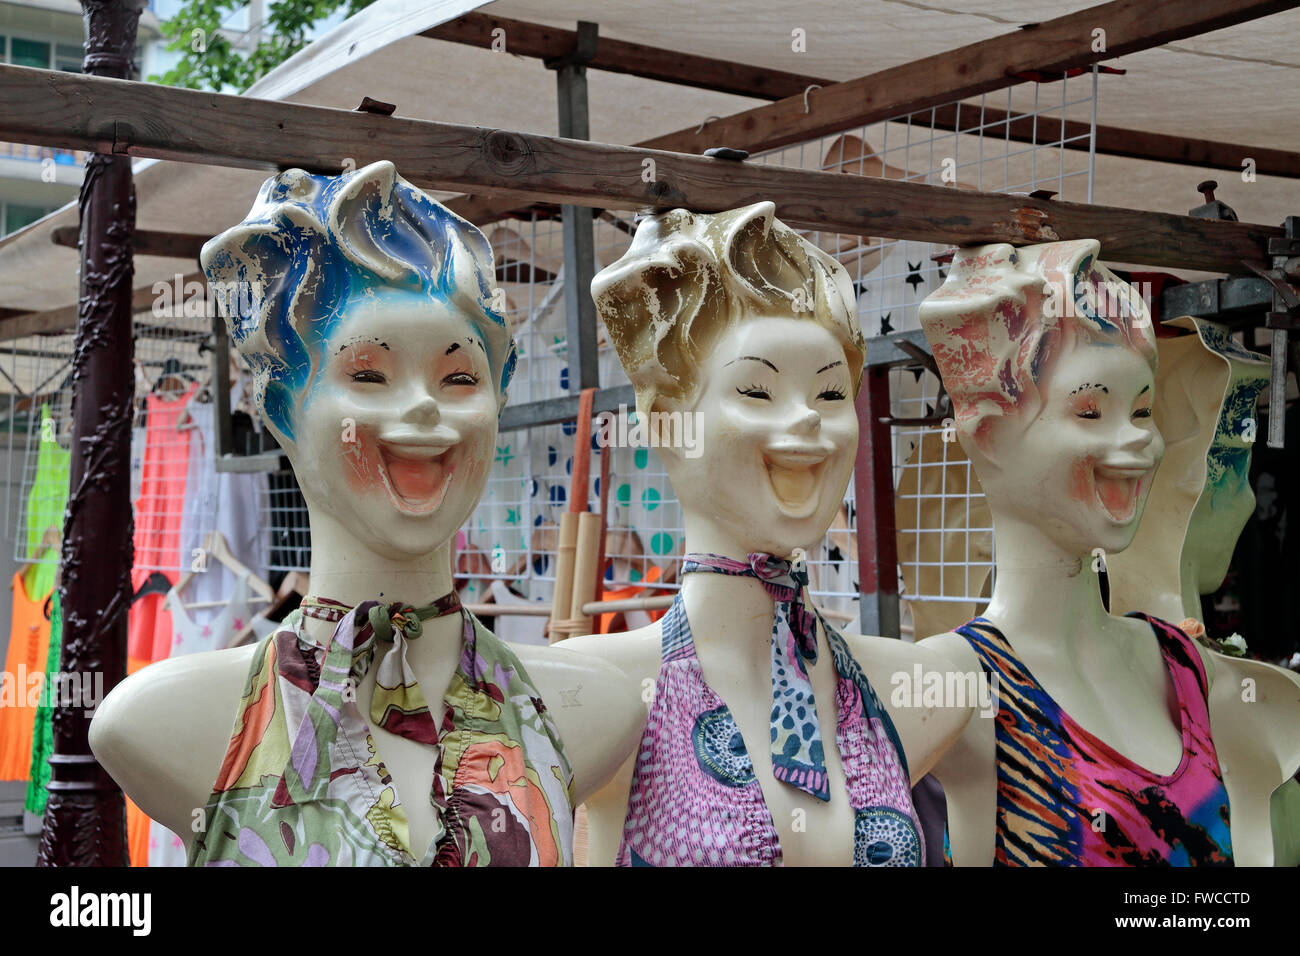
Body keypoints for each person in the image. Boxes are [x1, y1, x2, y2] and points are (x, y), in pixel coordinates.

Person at [90, 161, 643, 867]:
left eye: (460, 378)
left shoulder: (591, 710)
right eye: (369, 375)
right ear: (281, 411)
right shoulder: (166, 723)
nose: (422, 408)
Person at [561, 202, 973, 866]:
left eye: (831, 396)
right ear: (667, 421)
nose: (808, 423)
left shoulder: (921, 685)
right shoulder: (592, 693)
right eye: (757, 392)